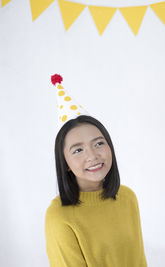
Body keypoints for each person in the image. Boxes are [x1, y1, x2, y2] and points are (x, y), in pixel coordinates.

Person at [45, 75, 147, 266]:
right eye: (78, 150)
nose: (92, 156)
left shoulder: (127, 197)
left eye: (99, 143)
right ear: (65, 162)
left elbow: (139, 261)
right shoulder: (59, 216)